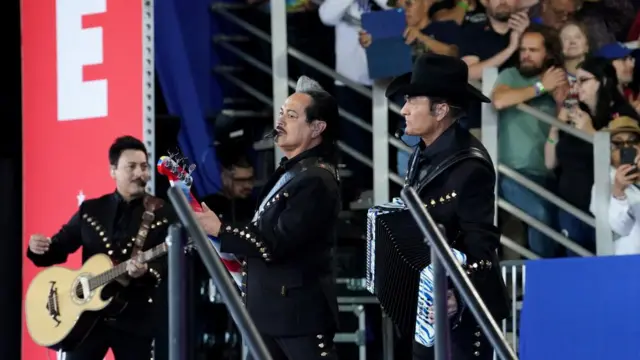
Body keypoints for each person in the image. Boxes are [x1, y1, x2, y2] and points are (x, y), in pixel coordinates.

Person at [195, 76, 341, 360]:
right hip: (271, 314)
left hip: (296, 318)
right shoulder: (296, 171)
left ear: (317, 128)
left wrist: (222, 230)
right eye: (282, 112)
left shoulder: (317, 179)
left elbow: (277, 241)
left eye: (292, 115)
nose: (281, 120)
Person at [385, 53, 510, 360]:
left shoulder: (470, 165)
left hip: (462, 315)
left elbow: (481, 246)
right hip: (429, 307)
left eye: (412, 102)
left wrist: (458, 293)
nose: (403, 110)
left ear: (440, 110)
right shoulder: (424, 152)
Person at [26, 136, 174, 360]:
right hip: (88, 322)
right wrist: (37, 248)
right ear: (113, 170)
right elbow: (57, 249)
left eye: (144, 167)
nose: (140, 173)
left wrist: (148, 270)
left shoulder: (164, 213)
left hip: (136, 320)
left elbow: (172, 262)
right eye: (131, 167)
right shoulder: (91, 210)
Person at [589, 116, 640, 255]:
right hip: (628, 264)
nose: (626, 147)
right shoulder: (602, 184)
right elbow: (621, 228)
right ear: (609, 151)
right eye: (618, 143)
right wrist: (618, 192)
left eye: (632, 141)